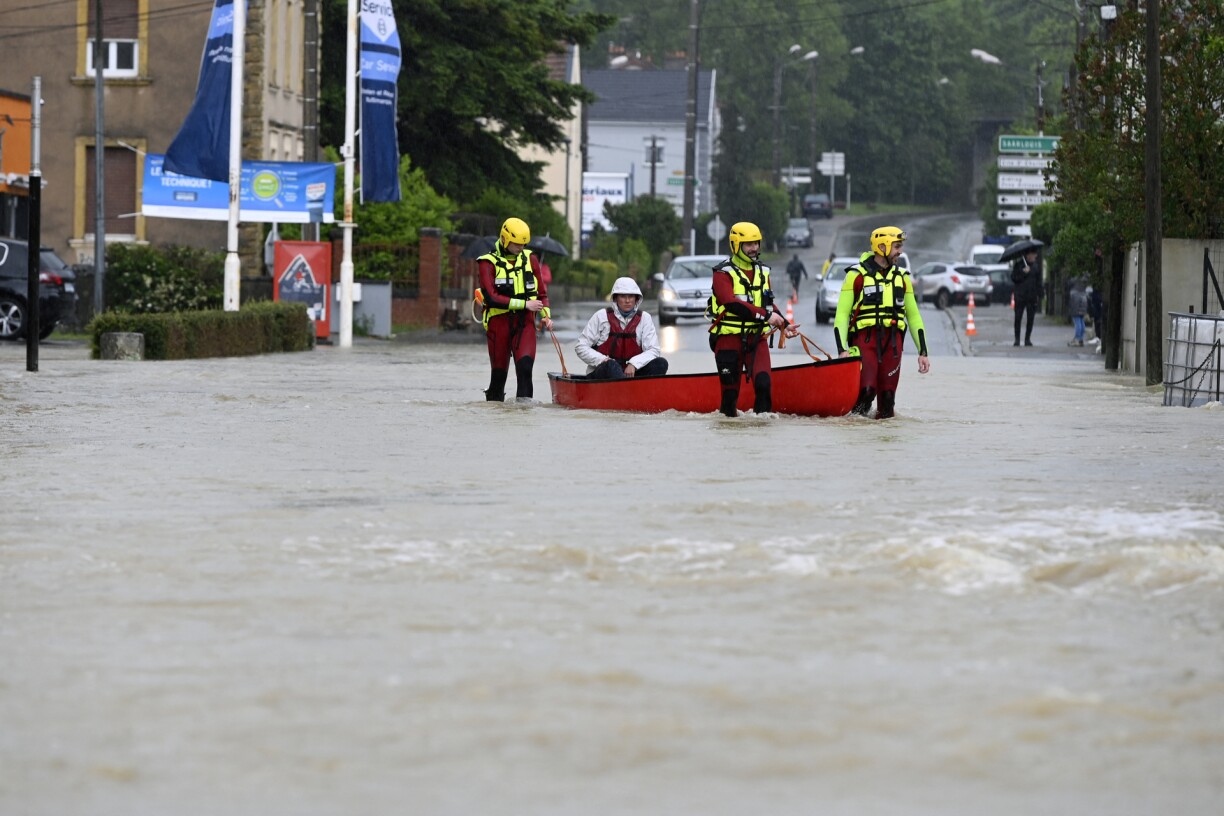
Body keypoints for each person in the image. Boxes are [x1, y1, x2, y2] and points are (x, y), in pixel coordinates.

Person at [833, 226, 930, 419]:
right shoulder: (856, 276)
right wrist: (842, 349)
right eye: (897, 246)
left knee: (887, 399)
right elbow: (842, 316)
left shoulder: (902, 279)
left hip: (892, 344)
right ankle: (856, 432)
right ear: (883, 246)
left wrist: (923, 352)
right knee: (867, 390)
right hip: (865, 341)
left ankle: (884, 444)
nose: (900, 252)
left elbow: (913, 316)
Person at [708, 221, 799, 417]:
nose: (754, 248)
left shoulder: (763, 271)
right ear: (736, 245)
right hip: (728, 339)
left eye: (756, 243)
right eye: (748, 244)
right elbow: (730, 303)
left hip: (756, 338)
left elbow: (767, 304)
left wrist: (784, 323)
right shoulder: (722, 273)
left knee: (764, 384)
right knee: (730, 398)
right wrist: (767, 316)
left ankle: (760, 437)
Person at [478, 217, 552, 402]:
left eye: (523, 244)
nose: (521, 248)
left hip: (524, 324)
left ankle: (523, 419)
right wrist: (524, 304)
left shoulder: (531, 259)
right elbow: (492, 297)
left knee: (525, 370)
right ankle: (495, 413)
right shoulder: (487, 263)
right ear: (504, 240)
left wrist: (546, 316)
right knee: (498, 377)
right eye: (517, 244)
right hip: (498, 325)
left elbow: (542, 294)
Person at [574, 277, 669, 380]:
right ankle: (623, 390)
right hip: (603, 375)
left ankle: (641, 392)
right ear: (615, 298)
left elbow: (653, 350)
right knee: (611, 366)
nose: (627, 301)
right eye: (623, 296)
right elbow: (581, 346)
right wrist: (603, 360)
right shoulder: (601, 316)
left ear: (636, 298)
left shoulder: (645, 318)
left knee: (661, 363)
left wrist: (634, 364)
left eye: (631, 296)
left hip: (632, 374)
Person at [1011, 247, 1042, 346]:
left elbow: (1038, 282)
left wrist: (1040, 294)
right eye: (1033, 255)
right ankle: (1017, 339)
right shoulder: (1019, 265)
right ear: (1028, 255)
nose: (1035, 257)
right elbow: (1014, 278)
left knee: (1030, 319)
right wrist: (1023, 273)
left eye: (1035, 255)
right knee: (1018, 318)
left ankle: (1027, 339)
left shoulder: (1036, 267)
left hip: (1031, 296)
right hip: (1020, 296)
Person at [1068, 279, 1088, 347]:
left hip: (1076, 298)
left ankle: (1077, 339)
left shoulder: (1076, 277)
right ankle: (1081, 339)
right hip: (1083, 298)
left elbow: (1070, 283)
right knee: (1081, 320)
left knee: (1077, 320)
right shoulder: (1084, 277)